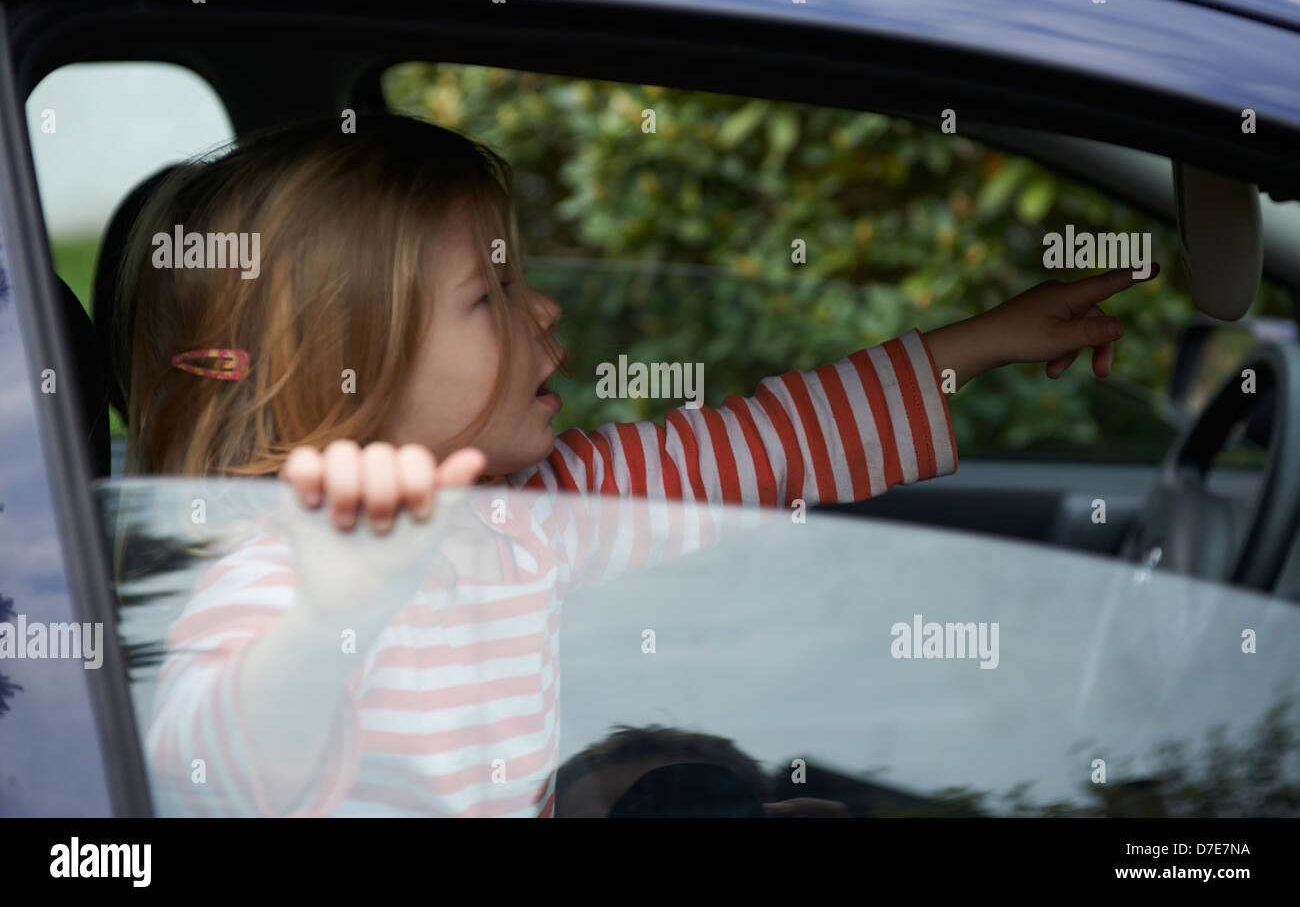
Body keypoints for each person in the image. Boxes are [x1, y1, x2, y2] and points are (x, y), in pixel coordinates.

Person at [118, 114, 1157, 816]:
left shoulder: (524, 513)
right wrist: (330, 619)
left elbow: (751, 452)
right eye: (490, 296)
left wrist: (970, 348)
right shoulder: (279, 570)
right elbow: (211, 768)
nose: (544, 309)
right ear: (352, 375)